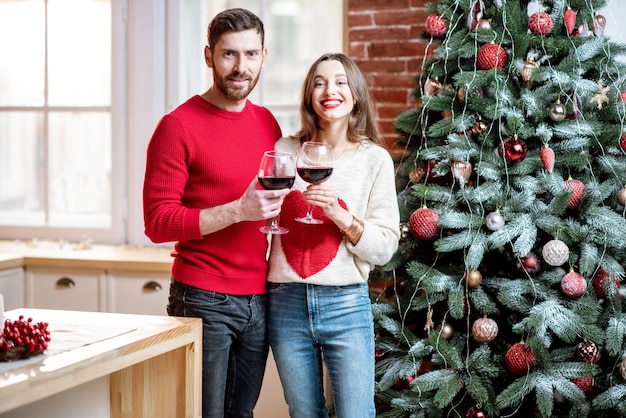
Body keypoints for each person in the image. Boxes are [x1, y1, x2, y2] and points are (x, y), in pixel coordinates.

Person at [142, 8, 290, 418]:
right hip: (202, 297)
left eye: (250, 54)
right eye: (228, 55)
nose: (240, 67)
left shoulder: (267, 123)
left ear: (264, 55)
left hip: (260, 297)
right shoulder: (177, 126)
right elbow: (157, 222)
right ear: (208, 56)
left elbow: (274, 207)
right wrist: (238, 210)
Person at [267, 53, 401, 418]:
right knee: (304, 412)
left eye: (341, 82)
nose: (330, 90)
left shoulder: (374, 160)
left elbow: (385, 247)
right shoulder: (283, 151)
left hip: (346, 303)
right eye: (319, 82)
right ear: (310, 95)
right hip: (285, 301)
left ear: (355, 94)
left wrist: (342, 217)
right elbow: (265, 222)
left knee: (357, 413)